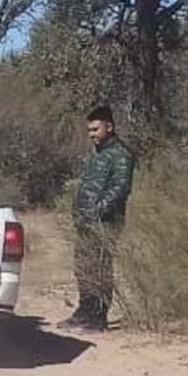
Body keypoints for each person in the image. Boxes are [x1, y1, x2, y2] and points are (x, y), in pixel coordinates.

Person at [60, 103, 136, 332]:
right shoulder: (94, 154)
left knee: (100, 269)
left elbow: (120, 188)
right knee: (83, 267)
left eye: (96, 129)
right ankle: (84, 310)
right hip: (85, 222)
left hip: (105, 223)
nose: (92, 135)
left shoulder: (121, 155)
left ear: (109, 127)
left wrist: (99, 210)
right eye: (89, 131)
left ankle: (98, 317)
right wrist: (79, 211)